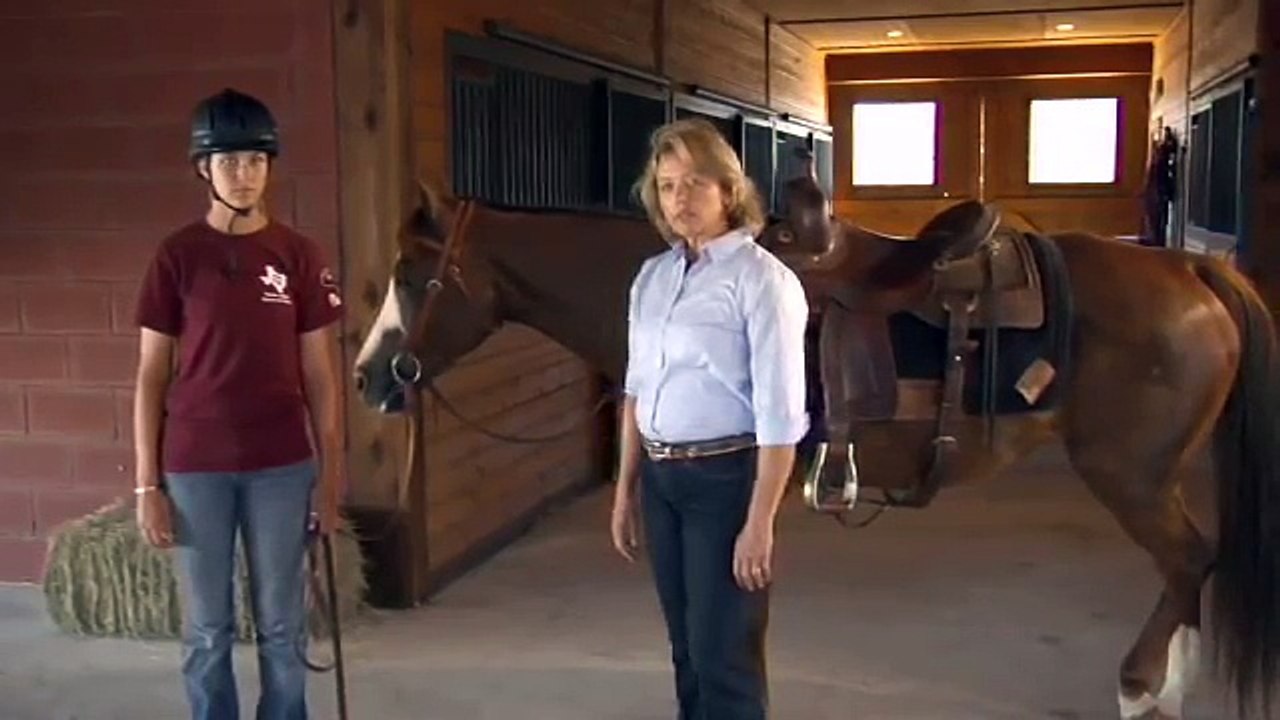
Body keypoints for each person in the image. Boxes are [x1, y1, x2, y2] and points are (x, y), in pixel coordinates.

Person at [131, 87, 345, 720]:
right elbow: (149, 374)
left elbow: (322, 375)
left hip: (280, 463)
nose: (243, 174)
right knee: (206, 627)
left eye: (255, 160)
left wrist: (331, 476)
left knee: (282, 625)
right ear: (204, 169)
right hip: (197, 465)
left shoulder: (298, 255)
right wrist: (148, 484)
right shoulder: (176, 256)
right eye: (228, 161)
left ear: (270, 166)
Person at [610, 118, 810, 719]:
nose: (680, 199)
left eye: (695, 183)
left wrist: (761, 521)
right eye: (668, 186)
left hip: (727, 479)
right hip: (663, 480)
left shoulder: (762, 280)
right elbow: (637, 389)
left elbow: (781, 415)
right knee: (686, 647)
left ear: (728, 190)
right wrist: (625, 489)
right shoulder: (653, 277)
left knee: (724, 651)